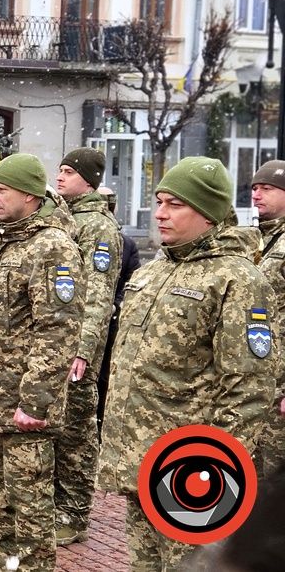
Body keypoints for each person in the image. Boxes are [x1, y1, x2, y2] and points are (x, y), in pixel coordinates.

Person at [99, 157, 277, 571]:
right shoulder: (155, 269)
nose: (160, 213)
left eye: (175, 204)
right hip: (138, 459)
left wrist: (213, 465)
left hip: (189, 468)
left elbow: (249, 387)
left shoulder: (236, 278)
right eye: (159, 201)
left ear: (208, 213)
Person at [0, 153, 84, 572]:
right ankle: (5, 565)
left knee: (30, 505)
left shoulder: (52, 248)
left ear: (29, 195)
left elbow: (58, 329)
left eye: (0, 189)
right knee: (1, 499)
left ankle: (31, 568)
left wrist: (35, 401)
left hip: (23, 407)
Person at [51, 148, 123, 547]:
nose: (60, 177)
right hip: (53, 344)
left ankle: (75, 513)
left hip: (76, 350)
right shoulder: (63, 218)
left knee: (76, 433)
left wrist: (83, 350)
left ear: (89, 180)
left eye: (68, 171)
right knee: (56, 431)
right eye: (59, 170)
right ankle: (56, 506)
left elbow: (98, 294)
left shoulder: (97, 226)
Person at [94, 186, 141, 425]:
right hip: (87, 319)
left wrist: (115, 305)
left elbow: (133, 282)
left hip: (111, 322)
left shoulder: (127, 244)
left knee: (105, 377)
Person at [251, 160, 285, 475]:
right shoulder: (256, 241)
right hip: (256, 381)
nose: (257, 195)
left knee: (275, 476)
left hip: (280, 387)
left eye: (267, 188)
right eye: (255, 188)